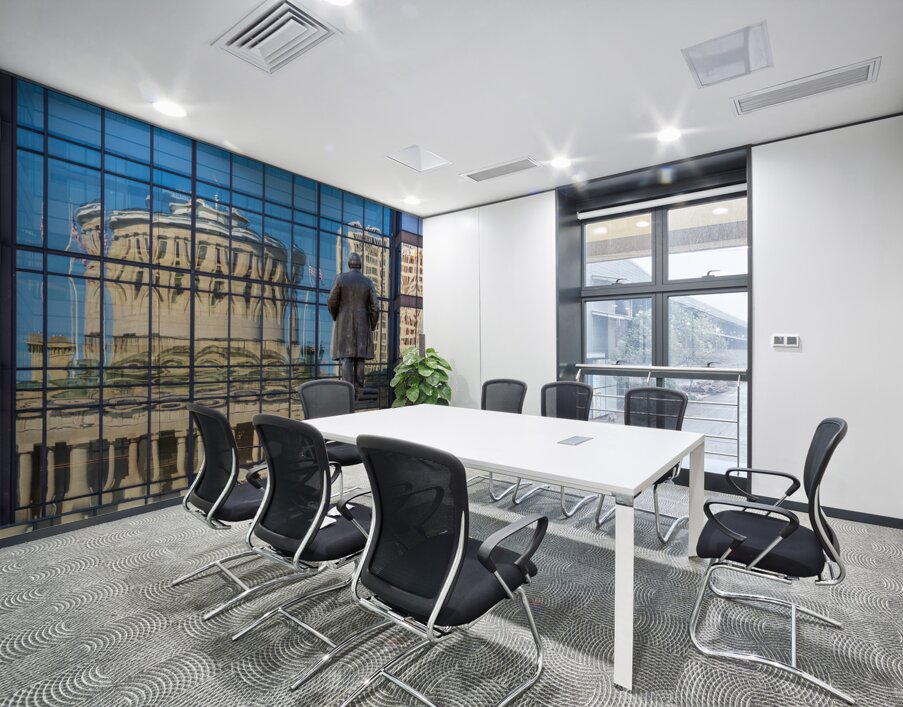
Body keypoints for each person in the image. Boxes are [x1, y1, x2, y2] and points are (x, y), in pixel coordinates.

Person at [327, 251, 379, 394]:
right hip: (363, 325)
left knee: (347, 357)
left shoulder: (341, 279)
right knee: (360, 357)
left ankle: (348, 390)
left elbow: (331, 301)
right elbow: (376, 308)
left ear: (349, 264)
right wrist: (372, 325)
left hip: (344, 324)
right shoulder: (368, 282)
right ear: (360, 265)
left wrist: (336, 315)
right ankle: (360, 388)